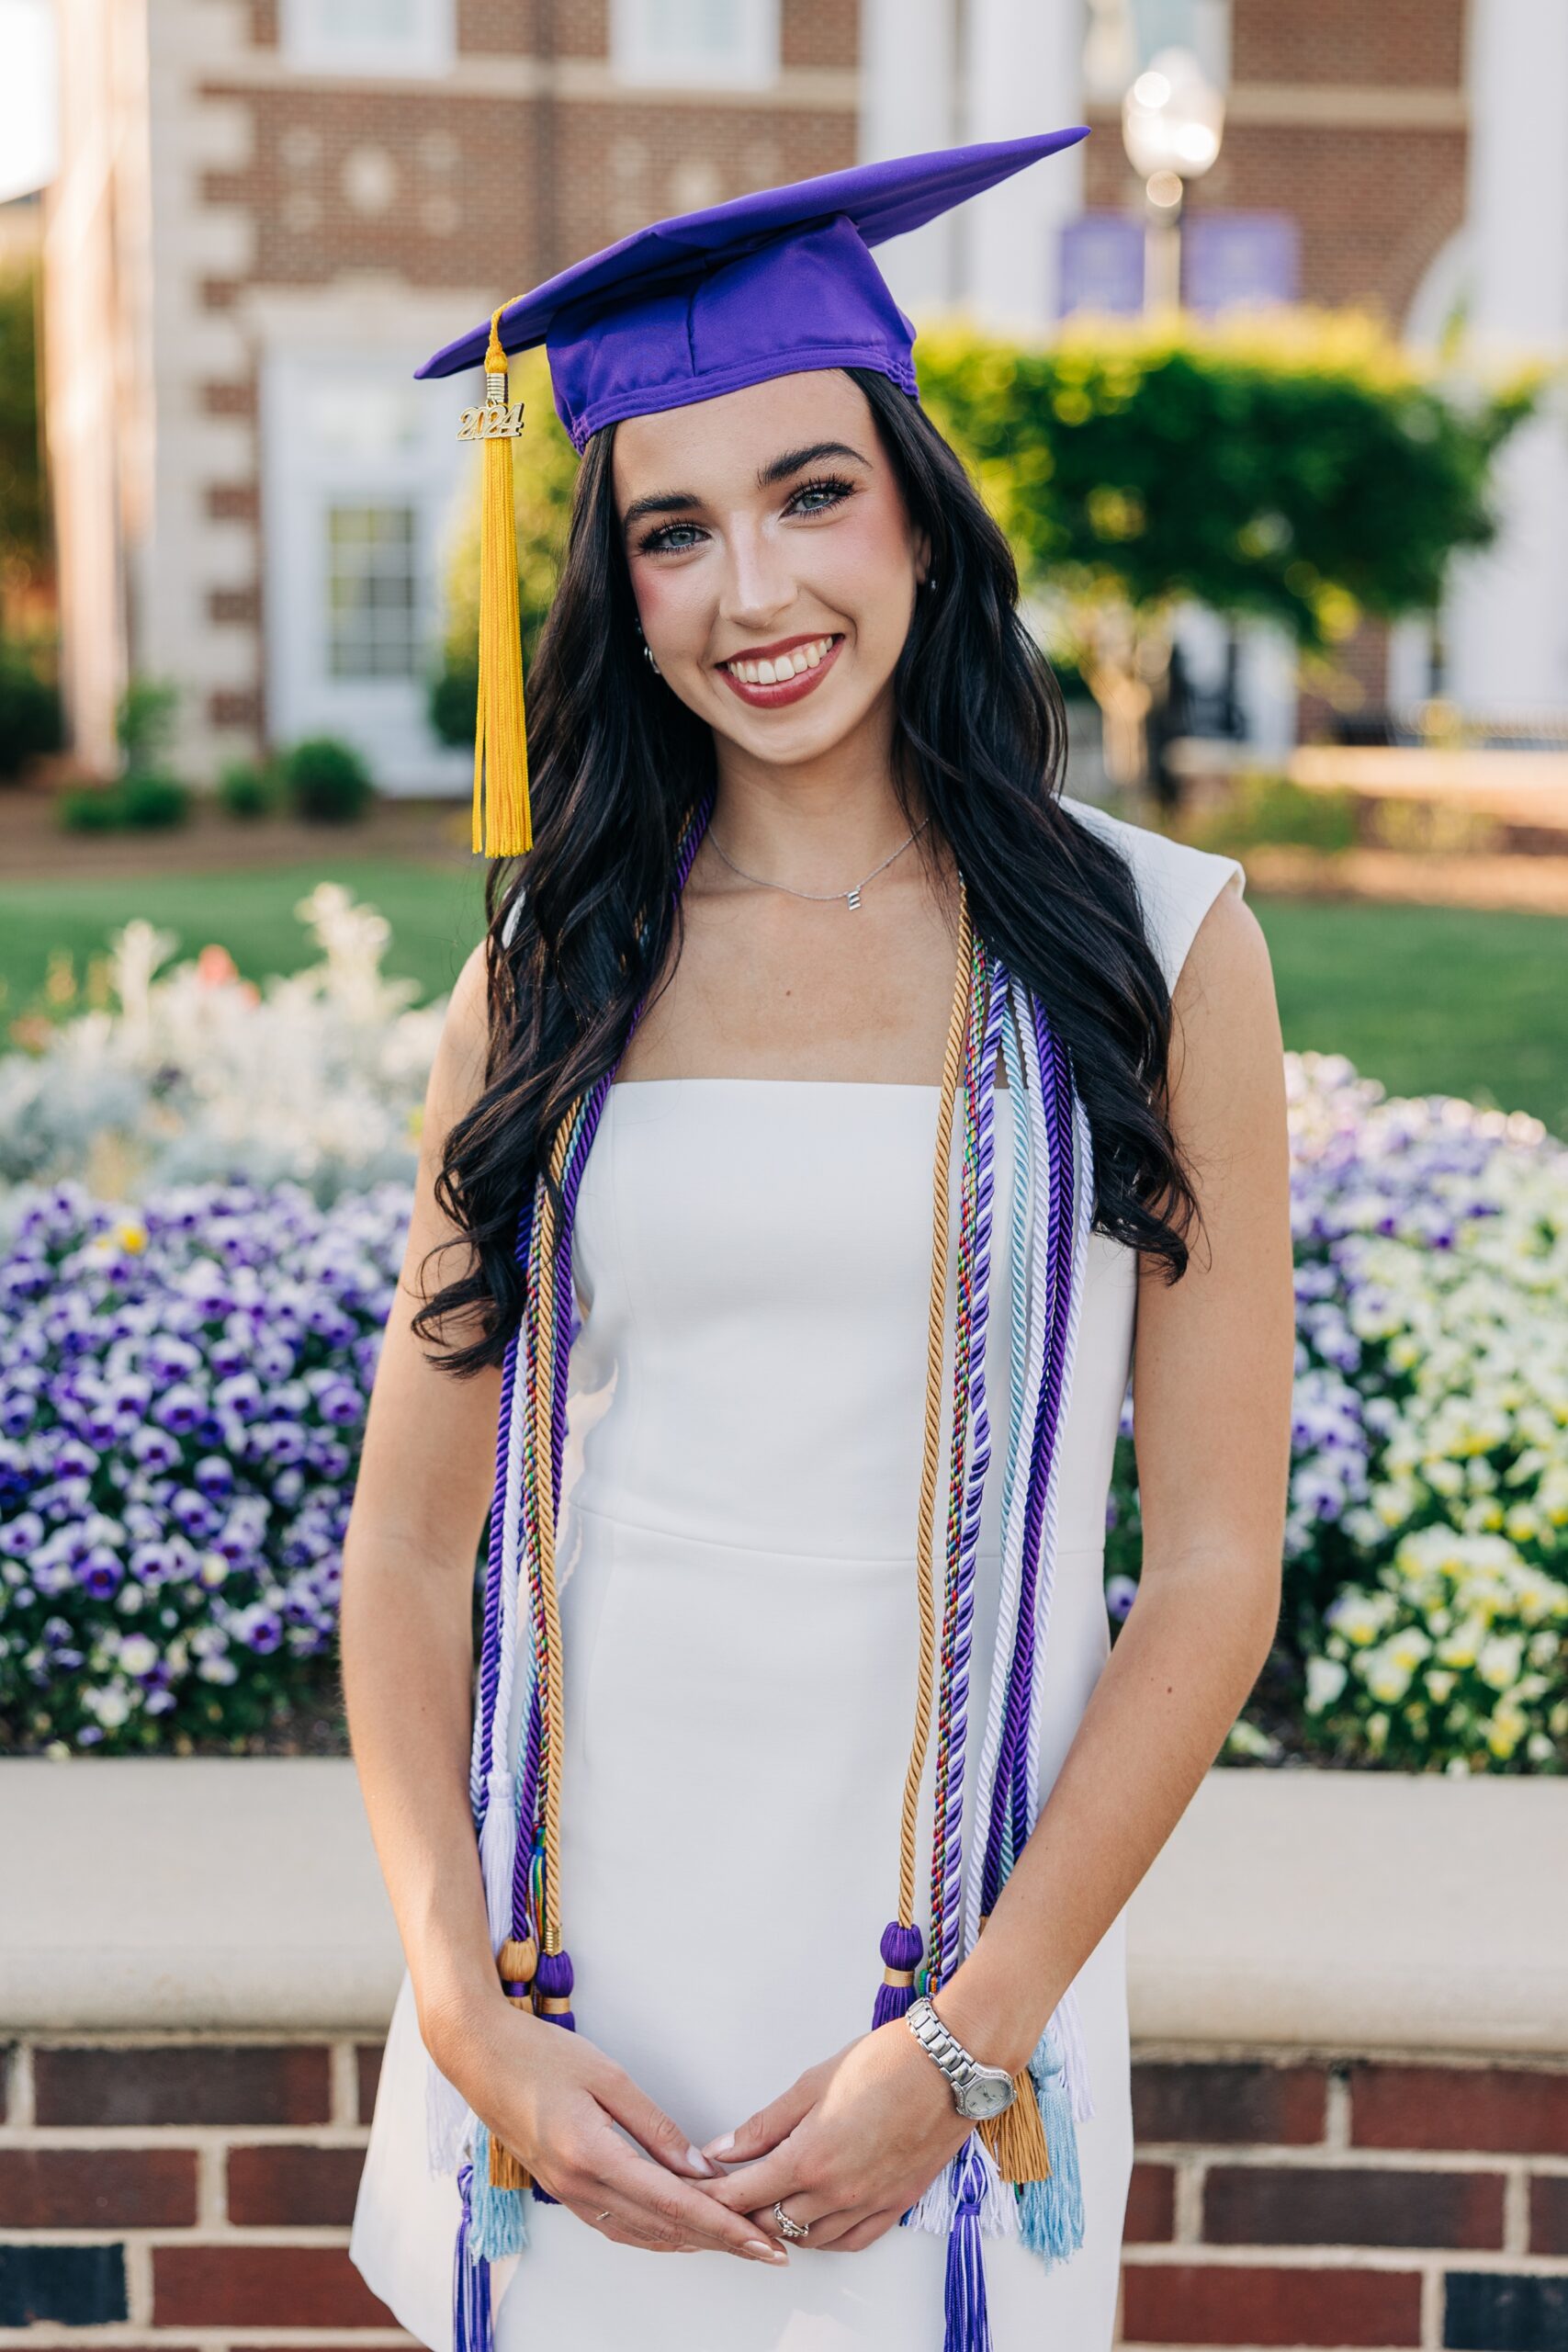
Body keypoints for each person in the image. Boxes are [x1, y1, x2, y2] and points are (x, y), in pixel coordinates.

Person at [344, 131, 1294, 2352]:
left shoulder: (1154, 950)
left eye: (809, 495)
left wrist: (968, 2038)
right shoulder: (547, 968)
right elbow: (405, 1548)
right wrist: (462, 2003)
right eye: (672, 531)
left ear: (916, 512)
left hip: (947, 1985)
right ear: (616, 584)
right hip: (564, 1989)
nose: (750, 592)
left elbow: (1219, 1561)